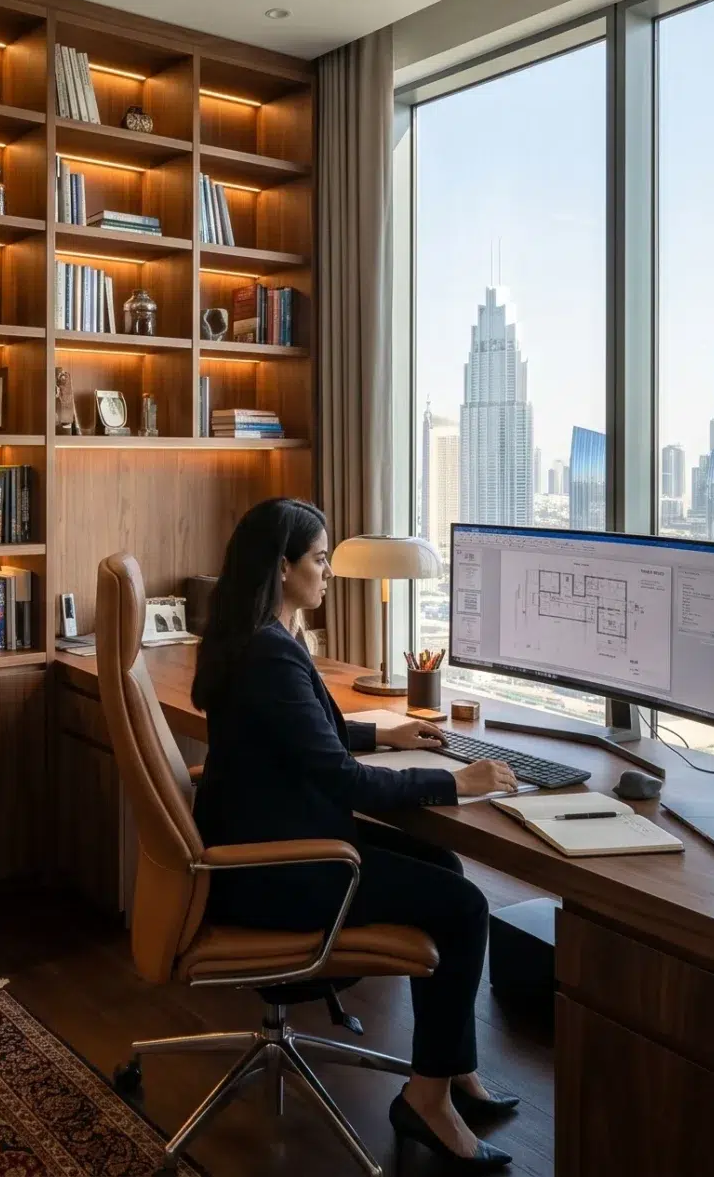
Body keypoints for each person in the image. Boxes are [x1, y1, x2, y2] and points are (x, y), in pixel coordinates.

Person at [192, 497, 519, 1174]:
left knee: (446, 866)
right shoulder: (269, 655)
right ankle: (425, 1102)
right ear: (283, 568)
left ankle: (452, 1071)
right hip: (282, 872)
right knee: (465, 907)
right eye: (318, 559)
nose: (327, 573)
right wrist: (458, 782)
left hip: (268, 846)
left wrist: (388, 733)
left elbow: (314, 737)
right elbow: (344, 782)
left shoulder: (261, 639)